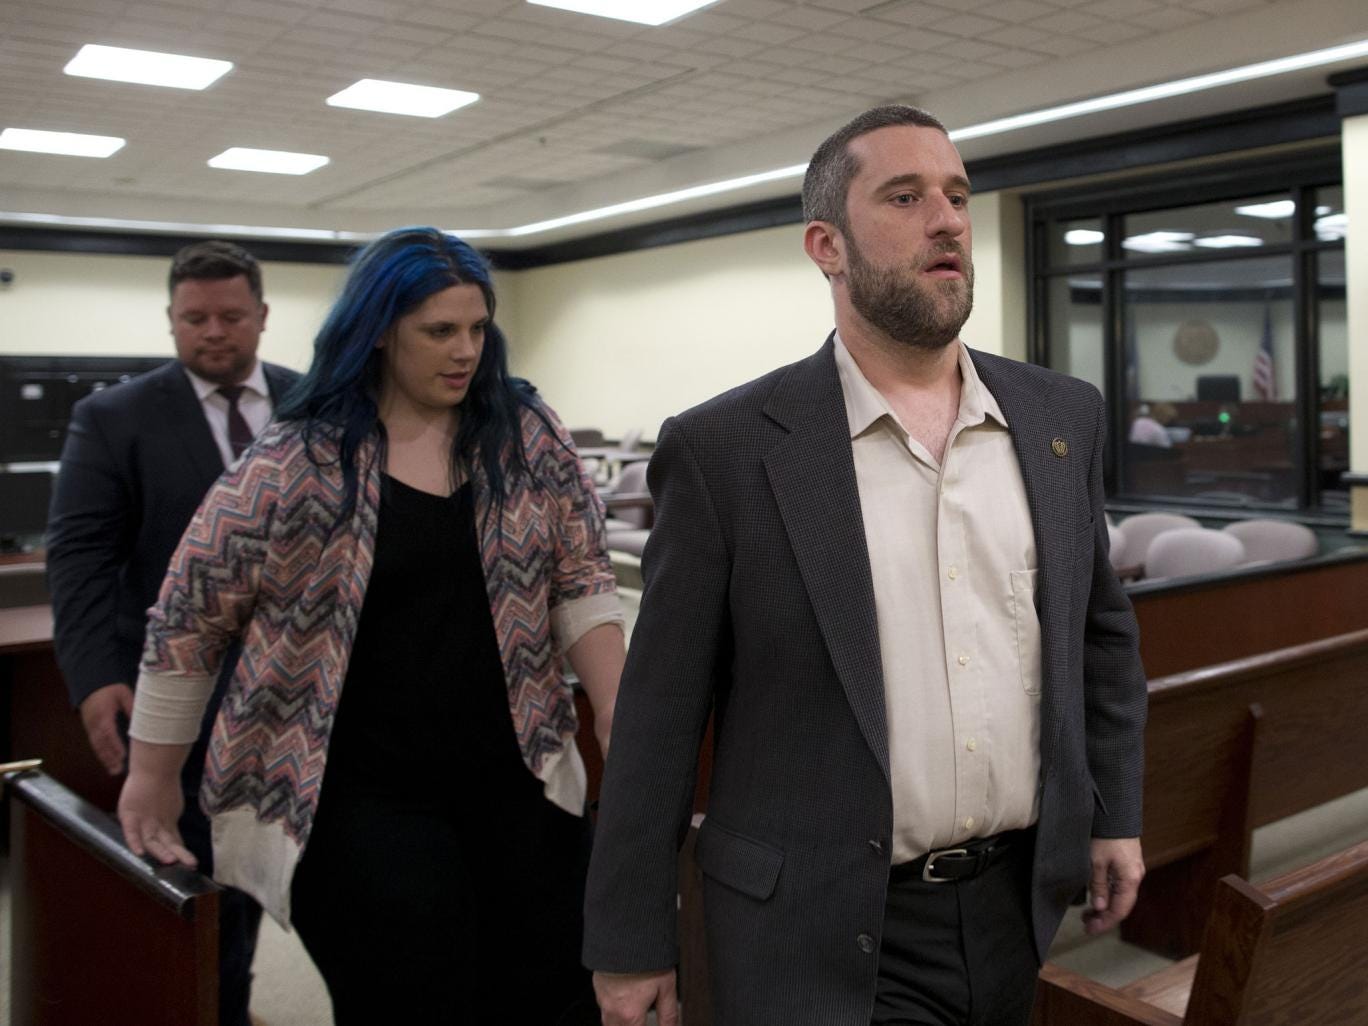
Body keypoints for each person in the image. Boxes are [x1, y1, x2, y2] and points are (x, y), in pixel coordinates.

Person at [583, 105, 1148, 1026]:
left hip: (1013, 903)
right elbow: (658, 721)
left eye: (958, 195)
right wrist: (630, 942)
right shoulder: (728, 450)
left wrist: (1112, 810)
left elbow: (1101, 639)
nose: (948, 219)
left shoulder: (1059, 418)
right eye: (905, 195)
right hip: (814, 921)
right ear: (826, 245)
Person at [117, 227, 625, 1025]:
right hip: (351, 793)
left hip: (516, 774)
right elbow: (188, 619)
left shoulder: (523, 435)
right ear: (380, 330)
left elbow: (581, 578)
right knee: (414, 995)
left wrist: (613, 706)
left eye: (476, 327)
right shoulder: (298, 461)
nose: (465, 350)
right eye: (438, 331)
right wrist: (151, 778)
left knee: (557, 986)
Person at [46, 239, 297, 1026]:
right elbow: (81, 556)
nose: (213, 332)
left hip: (299, 691)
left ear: (261, 316)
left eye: (230, 316)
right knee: (203, 878)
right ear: (170, 321)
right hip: (177, 697)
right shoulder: (114, 416)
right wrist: (93, 674)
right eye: (194, 319)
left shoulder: (317, 399)